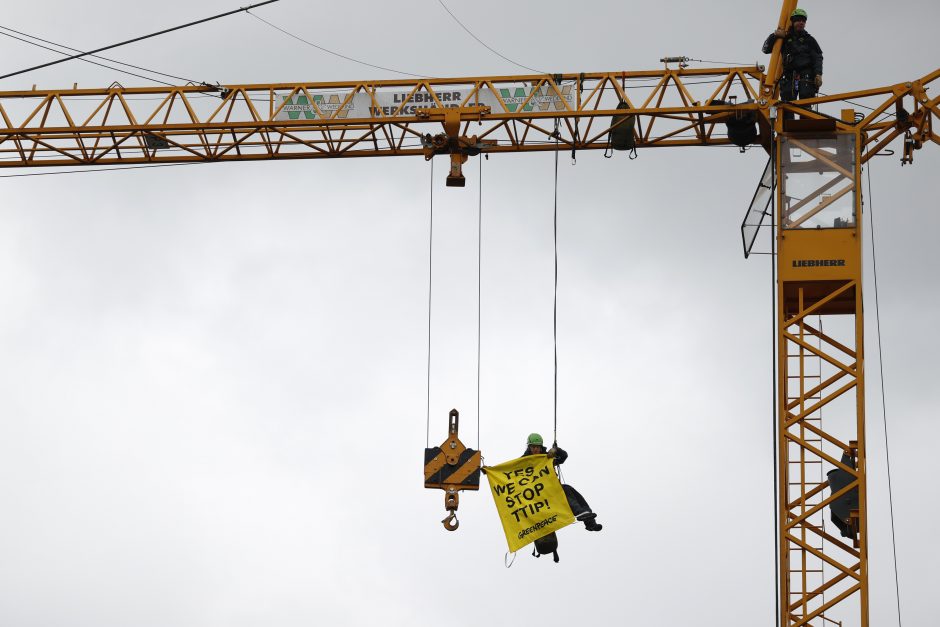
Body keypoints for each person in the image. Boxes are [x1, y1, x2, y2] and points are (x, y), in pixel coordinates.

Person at [523, 433, 602, 531]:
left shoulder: (546, 458)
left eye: (538, 447)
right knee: (564, 489)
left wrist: (556, 451)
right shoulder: (523, 462)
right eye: (533, 447)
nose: (536, 449)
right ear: (529, 447)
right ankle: (581, 513)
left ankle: (590, 521)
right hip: (539, 493)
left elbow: (563, 456)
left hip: (552, 488)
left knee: (569, 490)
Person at [762, 8, 823, 103]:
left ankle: (806, 118)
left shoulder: (809, 40)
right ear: (793, 22)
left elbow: (818, 57)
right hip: (789, 75)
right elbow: (765, 49)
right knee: (787, 104)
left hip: (806, 75)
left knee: (806, 102)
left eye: (803, 21)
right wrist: (774, 35)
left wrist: (818, 74)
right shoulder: (784, 38)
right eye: (798, 20)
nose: (801, 23)